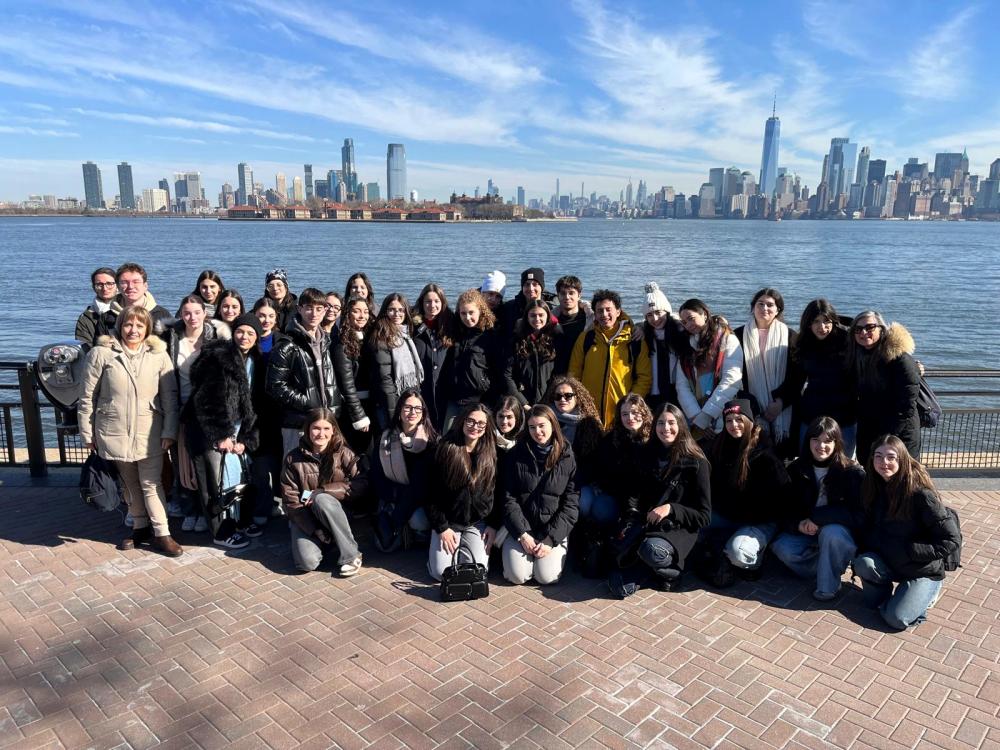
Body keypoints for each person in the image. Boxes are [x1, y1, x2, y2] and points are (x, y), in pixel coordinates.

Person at [77, 306, 181, 556]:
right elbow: (87, 396)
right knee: (129, 485)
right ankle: (139, 526)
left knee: (151, 484)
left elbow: (169, 396)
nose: (133, 330)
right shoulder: (101, 354)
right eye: (128, 324)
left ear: (147, 329)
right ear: (120, 326)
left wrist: (169, 431)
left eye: (139, 325)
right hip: (113, 429)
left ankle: (162, 532)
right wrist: (87, 433)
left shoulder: (159, 355)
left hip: (150, 431)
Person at [852, 435, 960, 630]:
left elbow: (951, 540)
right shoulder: (871, 487)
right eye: (878, 456)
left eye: (891, 457)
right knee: (863, 565)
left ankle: (926, 593)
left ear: (902, 459)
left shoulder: (921, 495)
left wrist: (913, 551)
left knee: (896, 619)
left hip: (921, 568)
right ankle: (894, 598)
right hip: (891, 561)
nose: (884, 462)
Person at [609, 403, 711, 598]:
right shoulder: (646, 454)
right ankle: (652, 570)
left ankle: (672, 572)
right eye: (661, 423)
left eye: (671, 423)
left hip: (678, 529)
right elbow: (635, 494)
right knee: (617, 547)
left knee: (651, 550)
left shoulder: (697, 462)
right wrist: (631, 515)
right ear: (654, 426)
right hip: (647, 524)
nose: (666, 428)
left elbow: (704, 516)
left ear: (681, 425)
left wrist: (671, 509)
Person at [185, 314, 262, 549]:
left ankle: (237, 522)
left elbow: (253, 404)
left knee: (235, 479)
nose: (245, 336)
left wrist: (245, 439)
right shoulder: (218, 357)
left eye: (251, 333)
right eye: (241, 331)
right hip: (210, 431)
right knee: (213, 483)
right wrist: (221, 435)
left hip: (237, 431)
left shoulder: (253, 360)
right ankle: (220, 531)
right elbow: (206, 399)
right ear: (233, 332)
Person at [770, 417, 865, 600]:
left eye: (828, 441)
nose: (821, 446)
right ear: (808, 441)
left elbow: (859, 515)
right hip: (806, 533)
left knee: (831, 533)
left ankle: (828, 588)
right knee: (782, 548)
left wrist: (818, 518)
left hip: (836, 533)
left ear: (837, 442)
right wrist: (798, 525)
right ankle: (826, 566)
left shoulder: (852, 472)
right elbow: (783, 509)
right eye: (816, 440)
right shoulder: (796, 469)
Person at [703, 399, 790, 581]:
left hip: (759, 520)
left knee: (739, 553)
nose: (734, 425)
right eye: (729, 420)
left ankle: (756, 559)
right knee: (694, 519)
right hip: (729, 516)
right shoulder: (719, 446)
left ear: (749, 420)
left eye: (739, 419)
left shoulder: (765, 453)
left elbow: (782, 496)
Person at [163, 295, 230, 531]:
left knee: (207, 466)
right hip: (180, 408)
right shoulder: (171, 338)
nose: (192, 317)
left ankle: (206, 512)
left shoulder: (217, 337)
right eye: (187, 313)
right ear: (181, 314)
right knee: (183, 464)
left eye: (196, 312)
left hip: (207, 411)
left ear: (205, 313)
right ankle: (189, 507)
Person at [279, 408, 367, 575]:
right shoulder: (292, 458)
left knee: (322, 499)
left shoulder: (344, 452)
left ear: (333, 430)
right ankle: (330, 540)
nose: (321, 433)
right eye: (316, 428)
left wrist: (323, 491)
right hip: (305, 516)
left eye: (326, 428)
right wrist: (314, 530)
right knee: (306, 563)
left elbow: (361, 484)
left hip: (337, 512)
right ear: (308, 430)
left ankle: (351, 556)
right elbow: (290, 501)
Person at [502, 405, 579, 585]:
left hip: (551, 528)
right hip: (522, 527)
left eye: (542, 425)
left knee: (546, 577)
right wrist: (522, 534)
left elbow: (571, 504)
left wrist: (550, 539)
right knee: (517, 576)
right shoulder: (515, 455)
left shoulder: (567, 456)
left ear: (553, 424)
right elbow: (508, 498)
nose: (538, 432)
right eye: (532, 427)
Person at [426, 403, 500, 580]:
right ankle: (436, 554)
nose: (475, 427)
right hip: (449, 521)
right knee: (441, 574)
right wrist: (442, 528)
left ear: (487, 426)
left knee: (476, 572)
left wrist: (493, 524)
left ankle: (462, 551)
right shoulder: (444, 448)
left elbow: (500, 491)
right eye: (471, 421)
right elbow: (430, 493)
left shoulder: (492, 452)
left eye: (481, 423)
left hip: (478, 523)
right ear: (462, 421)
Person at [266, 288, 342, 456]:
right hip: (298, 424)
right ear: (299, 309)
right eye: (308, 307)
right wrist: (308, 402)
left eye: (319, 308)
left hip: (325, 422)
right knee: (296, 472)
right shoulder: (287, 345)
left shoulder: (325, 342)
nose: (313, 313)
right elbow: (274, 386)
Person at [569, 289, 652, 429]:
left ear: (618, 311)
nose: (604, 315)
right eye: (600, 311)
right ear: (595, 314)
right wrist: (580, 401)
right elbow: (574, 373)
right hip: (589, 413)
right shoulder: (586, 338)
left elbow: (644, 377)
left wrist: (631, 403)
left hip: (623, 415)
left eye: (609, 310)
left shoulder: (634, 340)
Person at [847, 311, 922, 465]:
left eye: (870, 327)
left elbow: (907, 405)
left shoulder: (899, 359)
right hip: (870, 429)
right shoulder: (859, 355)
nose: (864, 332)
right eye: (858, 329)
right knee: (873, 479)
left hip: (899, 435)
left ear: (882, 329)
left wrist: (887, 438)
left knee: (900, 478)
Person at [370, 388, 437, 552]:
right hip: (393, 495)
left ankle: (410, 530)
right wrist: (394, 497)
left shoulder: (431, 442)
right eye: (407, 407)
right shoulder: (384, 439)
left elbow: (424, 486)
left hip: (420, 499)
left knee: (419, 521)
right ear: (399, 410)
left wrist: (398, 517)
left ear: (423, 413)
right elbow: (377, 476)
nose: (412, 412)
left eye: (417, 408)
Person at [733, 288, 799, 452]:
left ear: (778, 310)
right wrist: (752, 405)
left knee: (781, 456)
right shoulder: (737, 335)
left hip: (783, 406)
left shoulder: (791, 336)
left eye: (770, 305)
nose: (764, 308)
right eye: (760, 304)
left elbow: (797, 376)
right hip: (750, 405)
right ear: (753, 307)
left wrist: (780, 402)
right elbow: (734, 373)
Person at [792, 299, 857, 456]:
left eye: (826, 321)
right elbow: (796, 380)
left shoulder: (849, 340)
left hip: (845, 415)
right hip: (812, 414)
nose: (822, 327)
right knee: (807, 461)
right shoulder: (803, 343)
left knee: (843, 464)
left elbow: (873, 355)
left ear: (834, 321)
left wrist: (912, 364)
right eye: (816, 322)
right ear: (808, 323)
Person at [674, 298, 743, 440]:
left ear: (705, 314)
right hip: (695, 420)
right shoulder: (686, 347)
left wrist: (707, 415)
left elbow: (732, 380)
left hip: (726, 415)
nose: (688, 325)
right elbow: (682, 386)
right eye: (684, 322)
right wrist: (696, 417)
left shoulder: (727, 340)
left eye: (691, 318)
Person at [543, 375, 604, 521]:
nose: (562, 399)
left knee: (584, 504)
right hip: (548, 479)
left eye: (568, 396)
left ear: (577, 397)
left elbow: (592, 463)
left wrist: (570, 483)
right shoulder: (544, 420)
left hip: (579, 481)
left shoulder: (589, 424)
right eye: (558, 396)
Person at [249, 297, 287, 524]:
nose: (266, 320)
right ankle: (262, 506)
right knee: (260, 463)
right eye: (261, 315)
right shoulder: (247, 340)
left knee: (280, 459)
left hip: (279, 411)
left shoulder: (282, 341)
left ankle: (279, 501)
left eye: (271, 316)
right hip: (254, 412)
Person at [369, 293, 424, 431]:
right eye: (391, 309)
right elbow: (385, 379)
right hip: (390, 405)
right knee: (389, 443)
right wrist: (393, 414)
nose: (396, 314)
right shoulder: (382, 336)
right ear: (385, 311)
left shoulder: (405, 334)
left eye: (401, 310)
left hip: (407, 401)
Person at [449, 289, 502, 424]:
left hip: (480, 400)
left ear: (480, 310)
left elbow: (498, 371)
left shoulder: (490, 335)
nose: (467, 317)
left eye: (471, 312)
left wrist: (490, 398)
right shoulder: (454, 332)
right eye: (463, 313)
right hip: (454, 398)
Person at [636, 282, 689, 412]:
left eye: (659, 312)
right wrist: (640, 326)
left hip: (678, 390)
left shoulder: (680, 331)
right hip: (652, 392)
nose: (655, 318)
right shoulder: (644, 334)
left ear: (667, 311)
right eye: (649, 315)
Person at [332, 295, 375, 454]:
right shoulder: (342, 343)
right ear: (347, 314)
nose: (362, 316)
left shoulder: (367, 339)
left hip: (369, 403)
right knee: (355, 452)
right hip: (353, 408)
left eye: (365, 311)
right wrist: (358, 416)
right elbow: (346, 384)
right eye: (356, 311)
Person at [412, 283, 455, 430]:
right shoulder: (412, 326)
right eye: (428, 301)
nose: (432, 305)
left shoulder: (451, 324)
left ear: (442, 303)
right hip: (420, 389)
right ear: (422, 303)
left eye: (437, 301)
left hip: (444, 390)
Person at [505, 300, 562, 409]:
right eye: (533, 315)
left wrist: (548, 399)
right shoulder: (516, 340)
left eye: (541, 315)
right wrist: (523, 403)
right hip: (521, 401)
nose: (537, 319)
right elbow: (507, 375)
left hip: (549, 401)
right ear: (526, 317)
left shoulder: (556, 338)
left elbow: (559, 371)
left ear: (548, 316)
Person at [110, 262, 172, 333]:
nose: (130, 286)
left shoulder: (162, 315)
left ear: (145, 286)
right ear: (118, 286)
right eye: (124, 282)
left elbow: (172, 342)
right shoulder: (107, 317)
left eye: (136, 282)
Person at [498, 267, 554, 340]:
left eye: (535, 284)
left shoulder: (552, 307)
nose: (531, 288)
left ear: (542, 287)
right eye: (527, 284)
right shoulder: (509, 307)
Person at [552, 275, 592, 375]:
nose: (567, 297)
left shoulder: (591, 318)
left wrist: (638, 327)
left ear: (579, 295)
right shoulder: (550, 320)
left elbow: (616, 316)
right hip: (557, 375)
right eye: (563, 293)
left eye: (571, 293)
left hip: (584, 373)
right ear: (558, 296)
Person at [75, 266, 119, 346]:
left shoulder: (127, 310)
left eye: (109, 284)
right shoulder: (86, 318)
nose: (105, 288)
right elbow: (84, 347)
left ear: (117, 285)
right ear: (93, 287)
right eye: (99, 284)